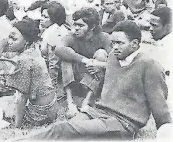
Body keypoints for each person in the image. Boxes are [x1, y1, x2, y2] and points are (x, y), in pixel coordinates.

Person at [21, 20, 172, 140]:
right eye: (113, 43)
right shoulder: (114, 56)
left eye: (120, 43)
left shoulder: (149, 65)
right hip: (98, 112)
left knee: (66, 131)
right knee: (64, 129)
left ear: (134, 44)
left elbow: (160, 106)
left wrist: (166, 133)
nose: (115, 47)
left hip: (123, 123)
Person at [55, 8, 111, 118]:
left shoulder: (104, 37)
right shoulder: (71, 37)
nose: (76, 28)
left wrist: (99, 65)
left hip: (94, 81)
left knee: (101, 54)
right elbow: (58, 49)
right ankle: (70, 102)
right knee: (66, 57)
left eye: (80, 25)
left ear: (92, 27)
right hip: (75, 80)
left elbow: (115, 62)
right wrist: (84, 60)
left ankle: (87, 101)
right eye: (75, 24)